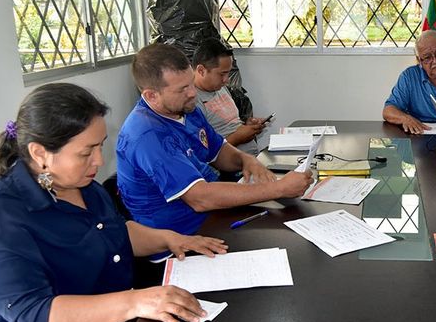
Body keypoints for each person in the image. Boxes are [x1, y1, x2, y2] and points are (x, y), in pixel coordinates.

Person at [0, 83, 230, 322]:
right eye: (86, 152)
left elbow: (116, 233)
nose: (98, 160)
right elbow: (40, 316)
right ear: (40, 153)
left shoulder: (85, 189)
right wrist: (135, 302)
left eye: (100, 146)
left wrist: (171, 239)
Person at [116, 43, 312, 243]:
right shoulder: (148, 136)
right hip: (182, 238)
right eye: (182, 89)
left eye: (191, 83)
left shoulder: (186, 109)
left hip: (212, 217)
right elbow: (200, 198)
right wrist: (279, 189)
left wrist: (246, 160)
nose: (193, 93)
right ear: (151, 95)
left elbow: (219, 151)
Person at [192, 38, 269, 155]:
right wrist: (238, 138)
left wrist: (248, 126)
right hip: (234, 164)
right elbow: (203, 152)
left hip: (252, 157)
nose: (226, 80)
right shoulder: (192, 101)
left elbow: (231, 125)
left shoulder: (219, 87)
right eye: (222, 74)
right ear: (201, 71)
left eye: (228, 73)